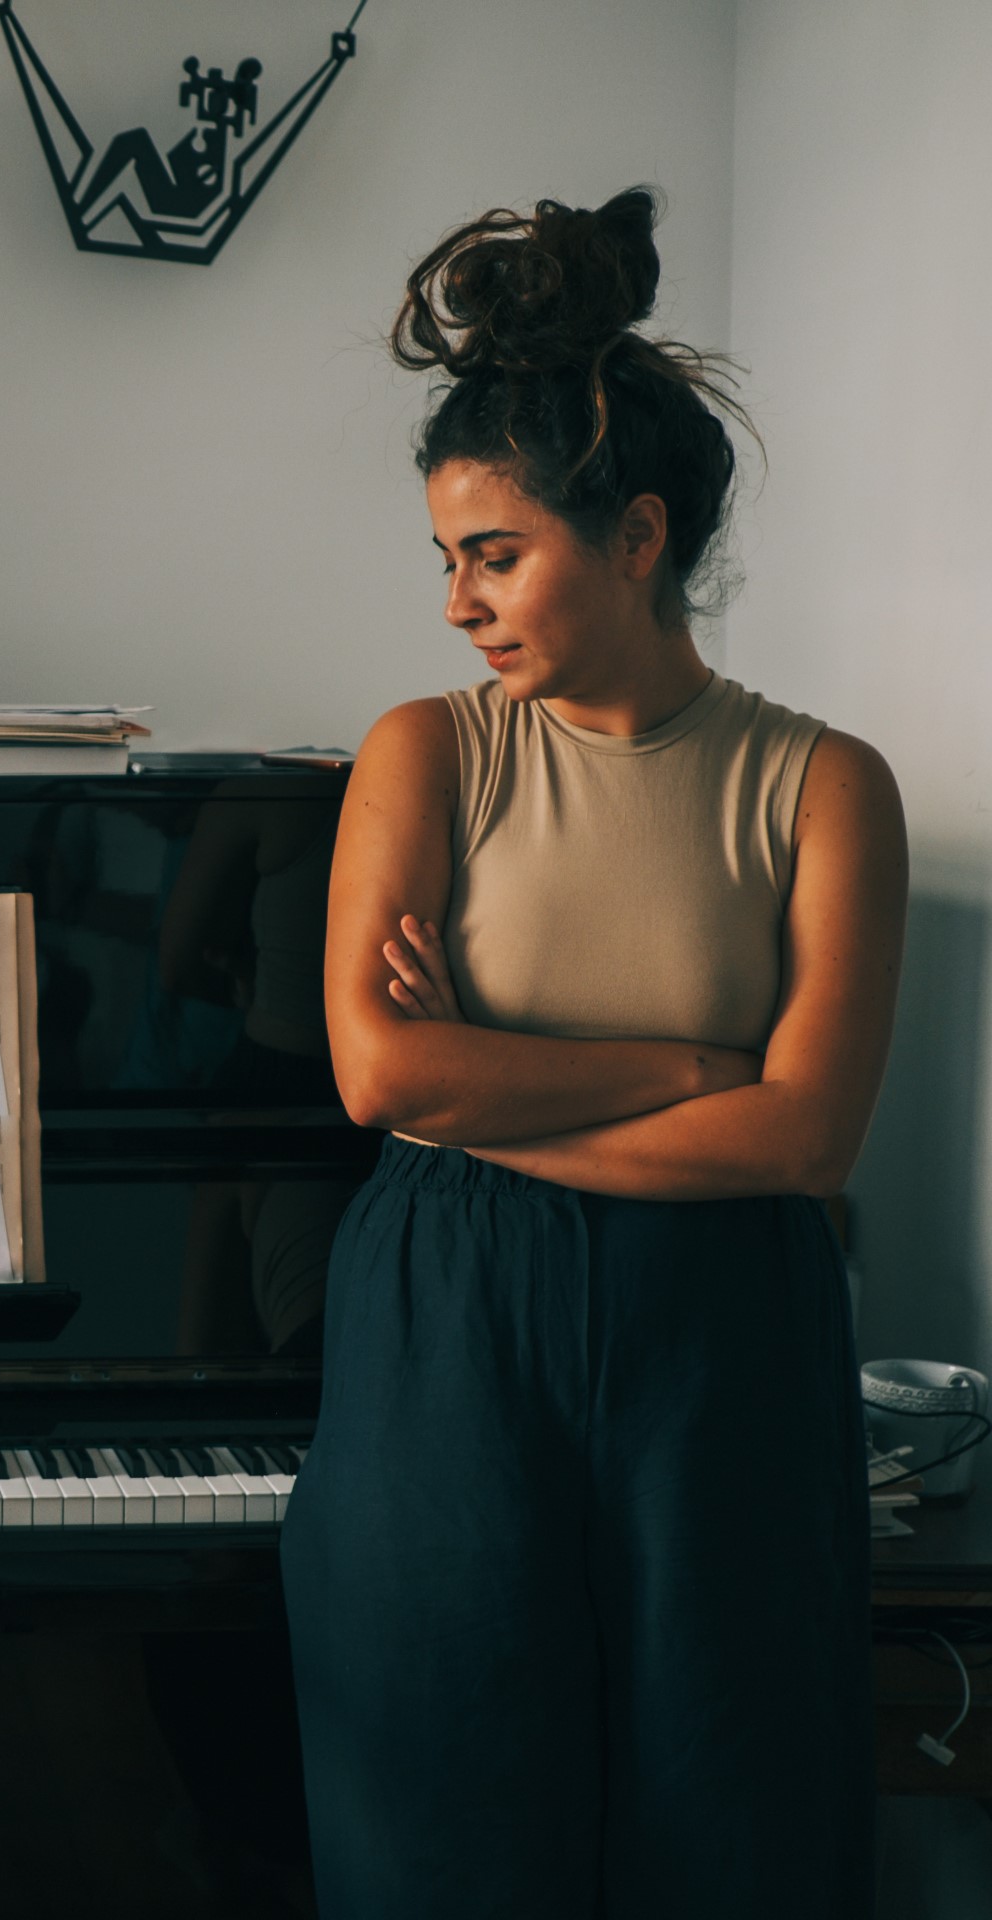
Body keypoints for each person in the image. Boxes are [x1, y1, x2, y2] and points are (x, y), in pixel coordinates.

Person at [280, 188, 905, 1918]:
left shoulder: (824, 783)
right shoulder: (425, 752)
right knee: (437, 1800)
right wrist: (698, 1065)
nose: (464, 601)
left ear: (634, 537)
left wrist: (495, 1086)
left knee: (735, 1810)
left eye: (498, 553)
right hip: (444, 1315)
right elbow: (385, 1084)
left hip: (731, 1326)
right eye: (448, 561)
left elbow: (806, 1145)